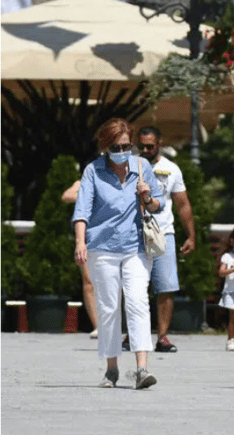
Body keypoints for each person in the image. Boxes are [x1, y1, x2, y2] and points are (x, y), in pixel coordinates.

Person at [72, 118, 165, 389]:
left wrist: (147, 197)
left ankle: (142, 369)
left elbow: (158, 204)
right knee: (109, 307)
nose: (122, 150)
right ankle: (111, 368)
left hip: (136, 246)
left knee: (137, 302)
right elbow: (81, 211)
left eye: (127, 145)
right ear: (105, 145)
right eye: (116, 146)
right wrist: (80, 242)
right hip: (102, 248)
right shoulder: (93, 171)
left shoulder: (142, 166)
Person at [132, 126, 196, 353]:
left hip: (163, 233)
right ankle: (131, 335)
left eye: (151, 146)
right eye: (142, 146)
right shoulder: (129, 165)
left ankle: (162, 337)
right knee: (132, 287)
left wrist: (191, 235)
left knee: (166, 287)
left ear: (159, 144)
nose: (146, 149)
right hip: (132, 233)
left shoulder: (171, 169)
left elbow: (182, 203)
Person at [61, 178, 98, 338]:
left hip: (110, 237)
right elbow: (66, 196)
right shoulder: (83, 182)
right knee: (88, 281)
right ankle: (98, 326)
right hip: (86, 238)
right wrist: (89, 196)